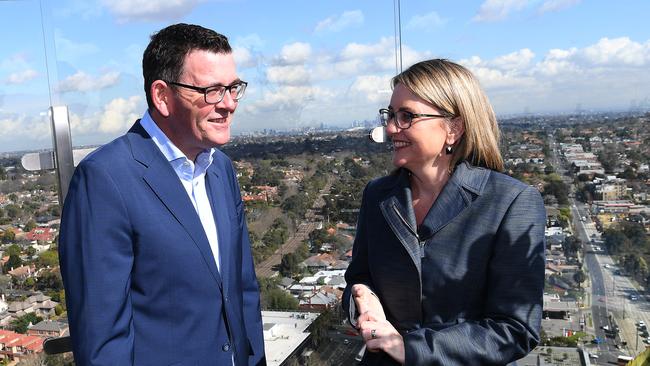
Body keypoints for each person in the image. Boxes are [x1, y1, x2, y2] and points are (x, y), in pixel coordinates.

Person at [59, 23, 265, 366]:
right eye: (212, 90)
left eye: (233, 88)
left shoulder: (220, 169)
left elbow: (243, 290)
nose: (229, 104)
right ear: (162, 96)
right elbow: (102, 337)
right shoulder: (105, 179)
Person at [343, 59, 545, 365]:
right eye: (390, 114)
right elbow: (360, 276)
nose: (390, 128)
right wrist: (362, 297)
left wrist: (410, 348)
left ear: (453, 128)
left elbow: (515, 329)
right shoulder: (378, 196)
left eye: (407, 116)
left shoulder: (511, 202)